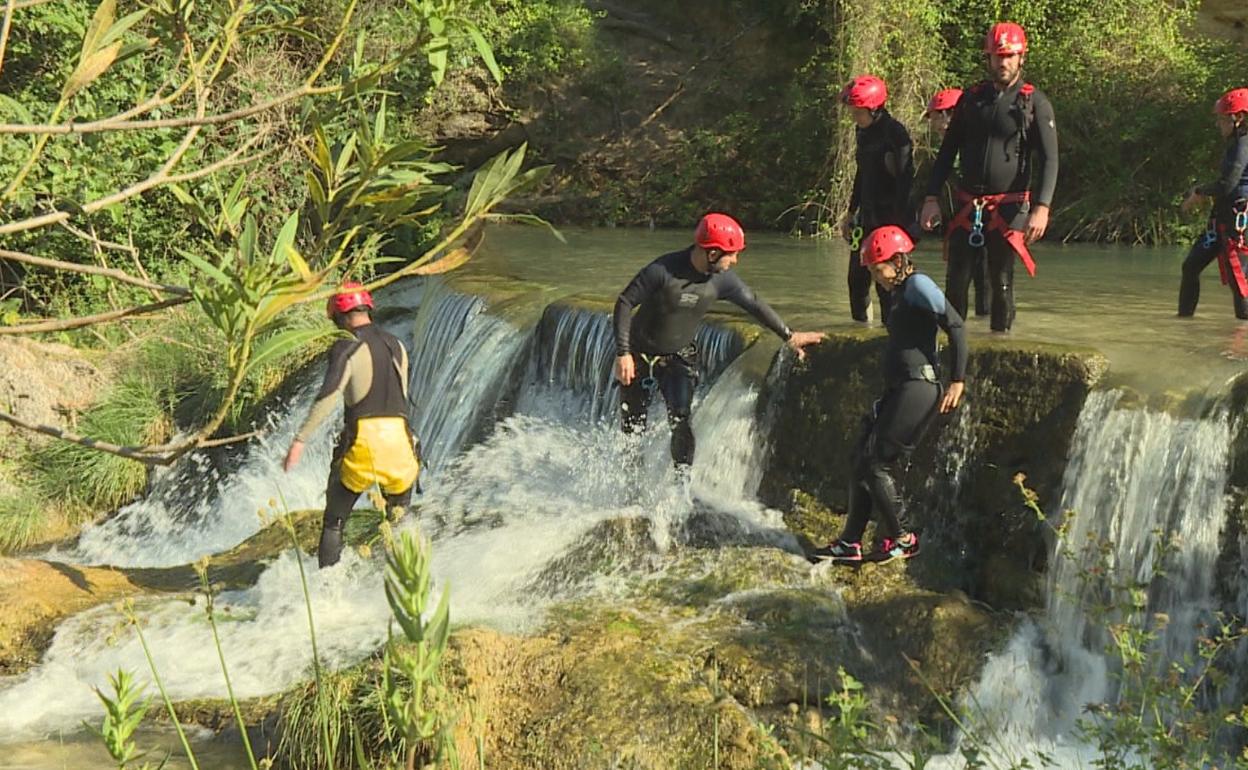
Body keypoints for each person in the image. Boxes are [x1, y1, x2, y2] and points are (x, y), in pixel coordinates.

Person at [613, 213, 824, 471]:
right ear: (712, 253)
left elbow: (754, 303)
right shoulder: (663, 270)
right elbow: (624, 303)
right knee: (633, 425)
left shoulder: (722, 280)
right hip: (639, 355)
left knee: (681, 420)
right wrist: (623, 353)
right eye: (731, 254)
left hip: (679, 357)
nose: (734, 261)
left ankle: (681, 485)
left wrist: (789, 336)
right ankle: (629, 482)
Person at [815, 226, 967, 563]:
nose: (875, 276)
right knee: (859, 460)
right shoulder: (899, 292)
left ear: (898, 260)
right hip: (901, 387)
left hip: (920, 387)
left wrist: (958, 379)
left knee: (875, 465)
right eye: (870, 270)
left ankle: (904, 537)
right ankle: (850, 543)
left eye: (877, 268)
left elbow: (955, 325)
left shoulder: (918, 284)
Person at [919, 22, 1059, 333]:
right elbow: (947, 152)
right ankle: (955, 350)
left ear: (1021, 57)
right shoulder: (971, 100)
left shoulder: (1035, 104)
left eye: (1010, 55)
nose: (1004, 62)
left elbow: (1050, 159)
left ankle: (1000, 345)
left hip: (1009, 208)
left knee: (1001, 282)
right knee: (956, 281)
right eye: (998, 56)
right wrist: (931, 198)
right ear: (989, 59)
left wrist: (1043, 206)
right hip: (967, 206)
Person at [283, 282, 420, 567]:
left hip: (364, 445)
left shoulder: (347, 346)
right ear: (367, 309)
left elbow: (329, 395)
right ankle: (410, 584)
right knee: (398, 522)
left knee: (334, 521)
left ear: (340, 317)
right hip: (403, 445)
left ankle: (327, 590)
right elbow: (403, 398)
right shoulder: (398, 346)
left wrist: (300, 440)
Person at [840, 74, 916, 324]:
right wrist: (851, 212)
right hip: (867, 217)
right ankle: (859, 331)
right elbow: (863, 174)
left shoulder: (896, 134)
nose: (854, 117)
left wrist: (900, 226)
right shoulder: (862, 132)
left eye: (858, 112)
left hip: (890, 220)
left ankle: (890, 334)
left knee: (887, 286)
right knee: (856, 280)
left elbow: (906, 182)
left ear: (874, 108)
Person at [1178, 87, 1248, 319]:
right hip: (1221, 222)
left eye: (1221, 119)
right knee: (1190, 267)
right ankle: (1184, 325)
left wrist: (1199, 192)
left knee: (1241, 290)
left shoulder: (1243, 146)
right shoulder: (1235, 144)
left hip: (1238, 227)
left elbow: (1227, 184)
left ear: (1237, 118)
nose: (1218, 124)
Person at [924, 87, 989, 318]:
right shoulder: (942, 154)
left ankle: (987, 333)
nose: (941, 123)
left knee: (984, 283)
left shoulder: (972, 150)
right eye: (936, 116)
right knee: (956, 287)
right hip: (957, 227)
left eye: (947, 114)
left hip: (980, 223)